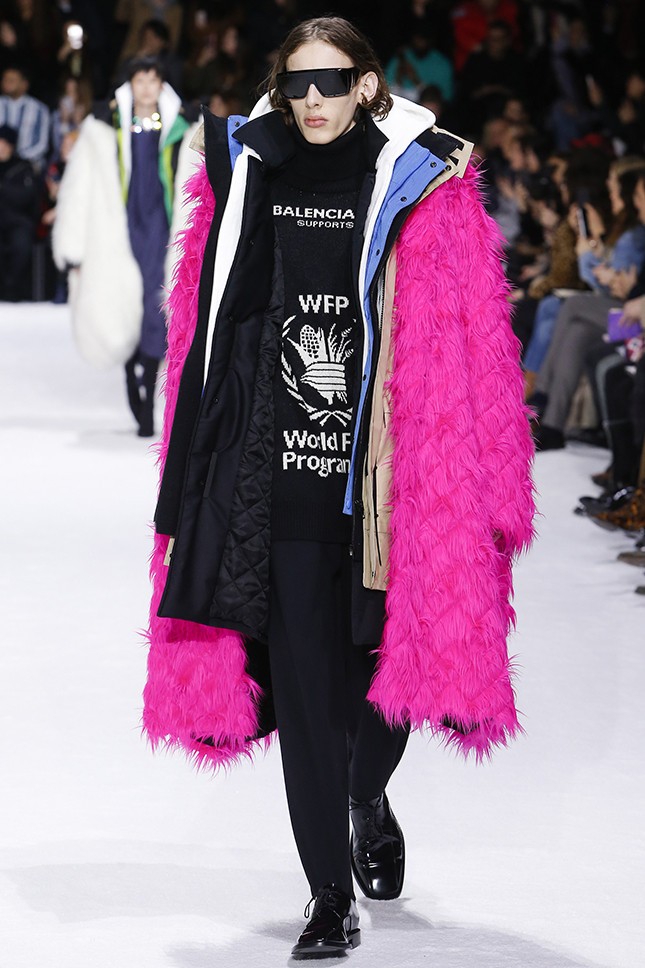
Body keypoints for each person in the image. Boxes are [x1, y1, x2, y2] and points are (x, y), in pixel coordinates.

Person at [143, 16, 535, 959]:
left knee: (383, 689)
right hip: (275, 483)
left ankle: (365, 793)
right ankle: (327, 896)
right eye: (295, 83)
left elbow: (474, 337)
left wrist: (490, 485)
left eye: (330, 81)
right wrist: (186, 483)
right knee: (307, 697)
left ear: (366, 84)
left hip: (390, 488)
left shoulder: (422, 179)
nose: (312, 100)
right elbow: (203, 336)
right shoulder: (249, 173)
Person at [53, 57, 193, 436]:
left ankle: (148, 396)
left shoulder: (183, 126)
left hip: (162, 229)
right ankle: (132, 377)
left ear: (162, 84)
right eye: (139, 80)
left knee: (156, 307)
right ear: (129, 84)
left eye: (153, 79)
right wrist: (73, 245)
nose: (146, 87)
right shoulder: (104, 126)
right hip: (118, 226)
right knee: (123, 303)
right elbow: (79, 186)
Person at [0, 122, 40, 300]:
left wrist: (3, 189)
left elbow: (27, 197)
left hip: (18, 220)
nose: (1, 148)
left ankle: (12, 289)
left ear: (11, 146)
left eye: (4, 144)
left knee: (21, 245)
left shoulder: (23, 167)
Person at [0, 64, 49, 168]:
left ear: (24, 84)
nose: (7, 83)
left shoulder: (39, 109)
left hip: (28, 165)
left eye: (12, 80)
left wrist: (19, 159)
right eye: (5, 79)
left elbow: (42, 144)